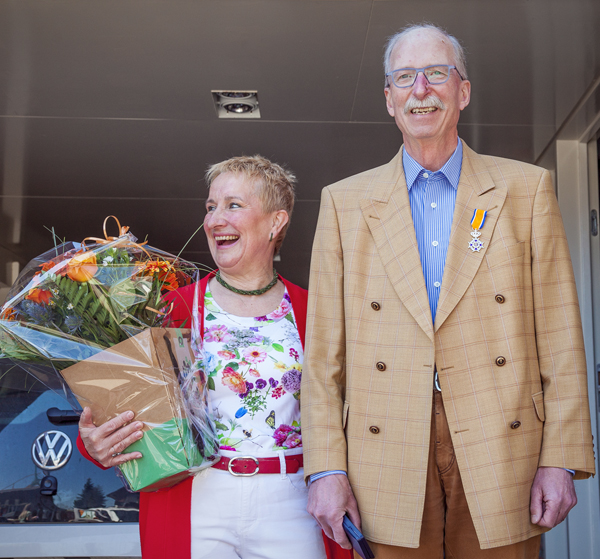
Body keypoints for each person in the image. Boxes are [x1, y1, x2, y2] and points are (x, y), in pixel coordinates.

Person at [302, 23, 595, 559]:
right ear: (389, 99)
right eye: (405, 77)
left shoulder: (525, 190)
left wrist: (562, 457)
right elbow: (322, 356)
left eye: (437, 74)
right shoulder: (344, 202)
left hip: (501, 441)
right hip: (384, 445)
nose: (422, 89)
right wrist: (325, 467)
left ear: (463, 91)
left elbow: (560, 336)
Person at [77, 155, 350, 559]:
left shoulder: (317, 311)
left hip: (294, 502)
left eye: (233, 205)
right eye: (210, 207)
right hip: (195, 498)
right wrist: (94, 444)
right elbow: (118, 407)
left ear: (276, 222)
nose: (214, 219)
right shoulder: (166, 309)